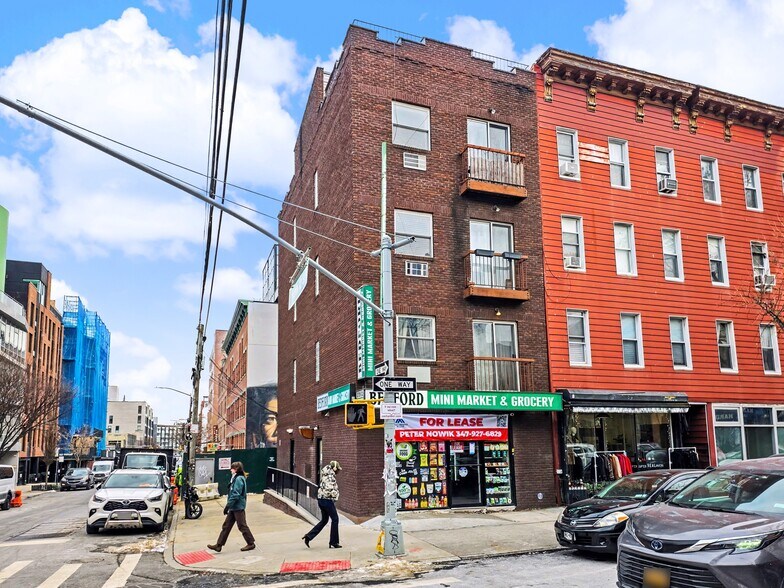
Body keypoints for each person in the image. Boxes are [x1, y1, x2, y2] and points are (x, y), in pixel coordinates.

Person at [207, 462, 255, 552]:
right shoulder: (236, 478)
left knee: (242, 525)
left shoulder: (239, 479)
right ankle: (219, 545)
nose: (230, 470)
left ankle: (251, 543)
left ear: (236, 469)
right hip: (234, 507)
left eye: (232, 468)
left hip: (238, 506)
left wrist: (228, 506)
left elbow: (236, 494)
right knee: (226, 526)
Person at [303, 460, 342, 549]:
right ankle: (334, 542)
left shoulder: (325, 475)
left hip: (321, 500)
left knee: (324, 520)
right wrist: (335, 496)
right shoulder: (330, 476)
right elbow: (329, 489)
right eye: (338, 469)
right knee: (335, 519)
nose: (338, 471)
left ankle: (308, 536)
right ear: (334, 468)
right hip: (327, 501)